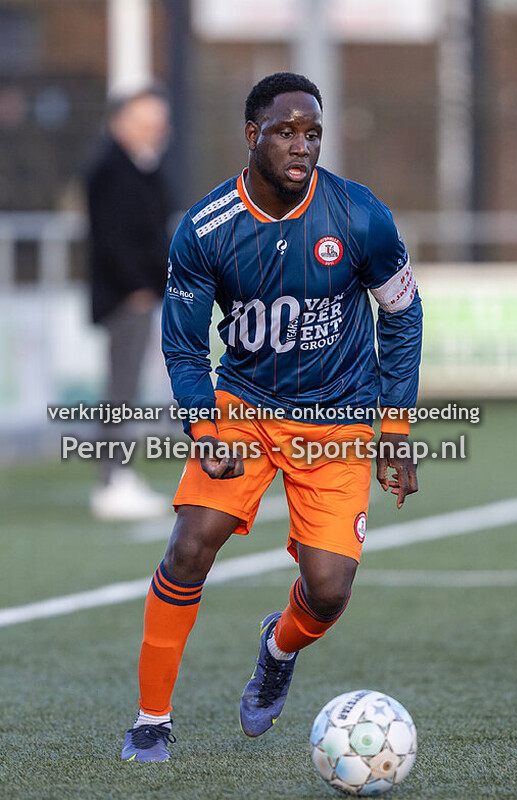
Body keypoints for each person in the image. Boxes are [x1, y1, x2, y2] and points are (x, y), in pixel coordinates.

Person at [121, 72, 422, 761]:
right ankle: (151, 720)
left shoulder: (360, 215)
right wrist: (204, 428)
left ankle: (277, 648)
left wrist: (395, 431)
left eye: (312, 133)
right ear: (252, 136)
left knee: (327, 590)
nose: (302, 146)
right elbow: (183, 343)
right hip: (245, 407)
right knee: (191, 541)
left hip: (339, 419)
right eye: (286, 132)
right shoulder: (204, 229)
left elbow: (401, 315)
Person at [86, 87, 172, 520]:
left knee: (128, 388)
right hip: (126, 296)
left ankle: (119, 475)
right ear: (121, 121)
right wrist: (138, 286)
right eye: (145, 122)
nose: (155, 131)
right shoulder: (111, 169)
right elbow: (113, 237)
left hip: (139, 293)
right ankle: (112, 479)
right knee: (120, 391)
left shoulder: (140, 166)